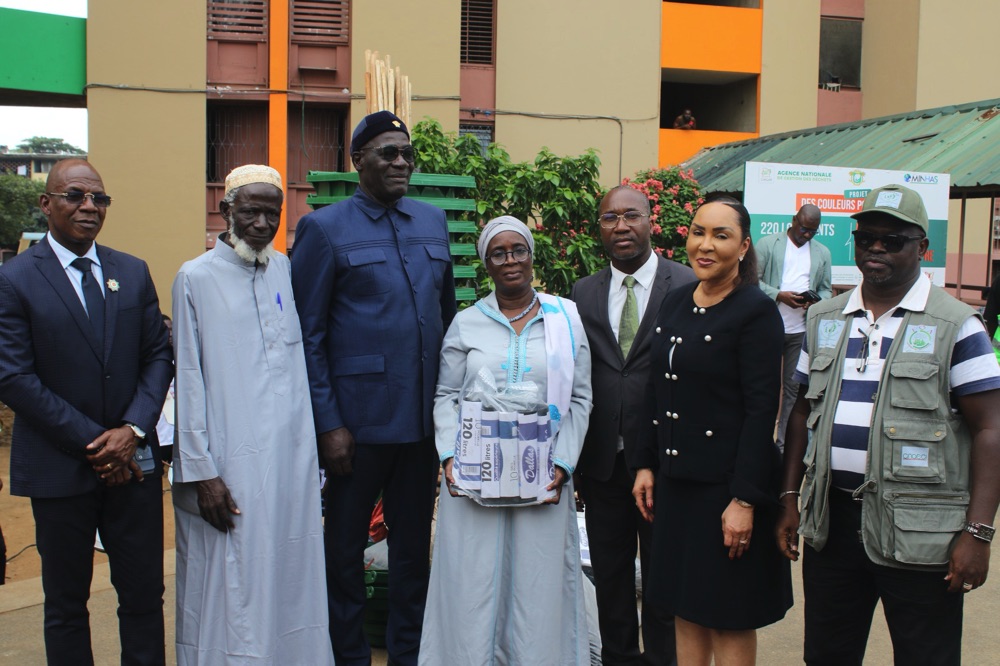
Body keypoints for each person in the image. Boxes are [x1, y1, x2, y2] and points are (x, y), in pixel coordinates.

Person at [775, 184, 1000, 666]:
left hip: (921, 530)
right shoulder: (824, 319)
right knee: (828, 655)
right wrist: (790, 497)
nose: (876, 248)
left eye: (893, 240)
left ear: (923, 248)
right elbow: (799, 411)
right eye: (867, 237)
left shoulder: (957, 325)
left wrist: (978, 534)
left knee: (926, 656)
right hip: (832, 523)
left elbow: (990, 429)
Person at [291, 111, 457, 666]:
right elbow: (307, 336)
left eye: (406, 153)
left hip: (420, 425)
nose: (401, 162)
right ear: (357, 159)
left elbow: (446, 321)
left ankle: (408, 655)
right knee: (343, 552)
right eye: (387, 153)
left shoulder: (432, 223)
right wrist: (328, 424)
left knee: (414, 552)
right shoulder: (324, 228)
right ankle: (350, 656)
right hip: (355, 430)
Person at [0, 158, 173, 664]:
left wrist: (133, 429)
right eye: (75, 196)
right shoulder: (14, 280)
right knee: (66, 604)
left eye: (99, 198)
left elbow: (157, 355)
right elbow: (14, 377)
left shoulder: (132, 271)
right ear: (46, 203)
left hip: (133, 468)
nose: (89, 207)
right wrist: (99, 442)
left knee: (143, 597)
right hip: (60, 470)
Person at [172, 164, 333, 664]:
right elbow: (189, 379)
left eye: (272, 212)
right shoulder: (194, 277)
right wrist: (202, 472)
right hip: (228, 462)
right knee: (233, 576)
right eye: (250, 212)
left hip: (290, 462)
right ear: (226, 211)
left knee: (291, 569)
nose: (262, 223)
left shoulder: (284, 269)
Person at [420, 215, 593, 664]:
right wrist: (450, 457)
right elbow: (445, 395)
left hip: (543, 476)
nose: (510, 260)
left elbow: (579, 397)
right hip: (474, 477)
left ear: (532, 256)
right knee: (472, 579)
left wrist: (564, 464)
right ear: (486, 264)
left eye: (519, 250)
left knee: (539, 581)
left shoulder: (564, 317)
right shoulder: (466, 323)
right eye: (499, 253)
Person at [632, 197, 793, 665]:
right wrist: (645, 462)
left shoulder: (756, 312)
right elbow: (655, 389)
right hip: (677, 487)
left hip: (726, 491)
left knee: (728, 615)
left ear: (744, 247)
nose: (705, 245)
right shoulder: (678, 299)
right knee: (686, 608)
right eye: (698, 231)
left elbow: (763, 412)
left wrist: (744, 500)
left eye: (721, 236)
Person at [571, 185, 695, 665]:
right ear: (599, 227)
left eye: (631, 216)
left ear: (650, 221)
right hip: (603, 463)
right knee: (611, 578)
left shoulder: (685, 283)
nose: (620, 226)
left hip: (667, 461)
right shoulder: (584, 291)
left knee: (664, 582)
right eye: (609, 218)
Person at [755, 204, 832, 454]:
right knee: (763, 387)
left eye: (812, 231)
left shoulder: (822, 253)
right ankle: (758, 445)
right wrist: (779, 295)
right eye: (803, 228)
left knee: (793, 390)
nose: (807, 235)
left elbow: (826, 288)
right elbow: (751, 280)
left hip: (800, 331)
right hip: (768, 327)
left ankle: (782, 448)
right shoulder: (768, 244)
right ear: (793, 220)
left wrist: (816, 300)